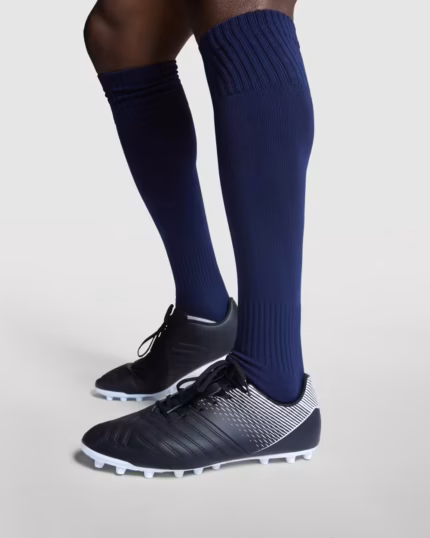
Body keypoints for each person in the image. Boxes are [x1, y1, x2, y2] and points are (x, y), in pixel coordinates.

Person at [81, 0, 321, 478]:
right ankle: (204, 313)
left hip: (272, 390)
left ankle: (272, 385)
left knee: (240, 7)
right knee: (122, 31)